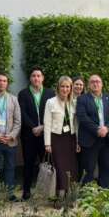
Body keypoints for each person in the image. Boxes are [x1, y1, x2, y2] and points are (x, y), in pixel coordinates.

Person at [18, 68, 55, 200]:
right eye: (33, 76)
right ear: (30, 78)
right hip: (29, 135)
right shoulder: (23, 94)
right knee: (28, 163)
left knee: (47, 164)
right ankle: (26, 191)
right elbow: (22, 113)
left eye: (38, 76)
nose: (36, 78)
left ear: (43, 78)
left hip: (46, 135)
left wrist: (43, 127)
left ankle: (47, 192)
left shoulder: (50, 93)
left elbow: (53, 113)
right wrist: (34, 127)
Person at [76, 74, 109, 188]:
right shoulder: (82, 99)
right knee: (88, 170)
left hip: (107, 139)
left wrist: (107, 128)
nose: (95, 84)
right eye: (93, 82)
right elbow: (83, 117)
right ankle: (87, 196)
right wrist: (97, 129)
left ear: (102, 84)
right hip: (90, 140)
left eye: (98, 82)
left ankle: (103, 193)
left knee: (106, 167)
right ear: (89, 85)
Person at [43, 76, 80, 204]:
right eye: (63, 86)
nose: (65, 89)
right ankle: (59, 196)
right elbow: (47, 123)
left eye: (68, 87)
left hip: (70, 138)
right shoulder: (50, 102)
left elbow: (76, 124)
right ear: (58, 88)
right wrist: (47, 143)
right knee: (59, 167)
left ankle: (69, 196)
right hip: (56, 139)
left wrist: (77, 141)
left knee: (71, 168)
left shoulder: (74, 102)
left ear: (71, 88)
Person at [0, 72, 21, 200]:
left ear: (7, 83)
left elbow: (18, 121)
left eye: (4, 81)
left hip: (10, 141)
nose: (1, 83)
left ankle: (10, 194)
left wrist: (12, 135)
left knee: (10, 168)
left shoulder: (13, 99)